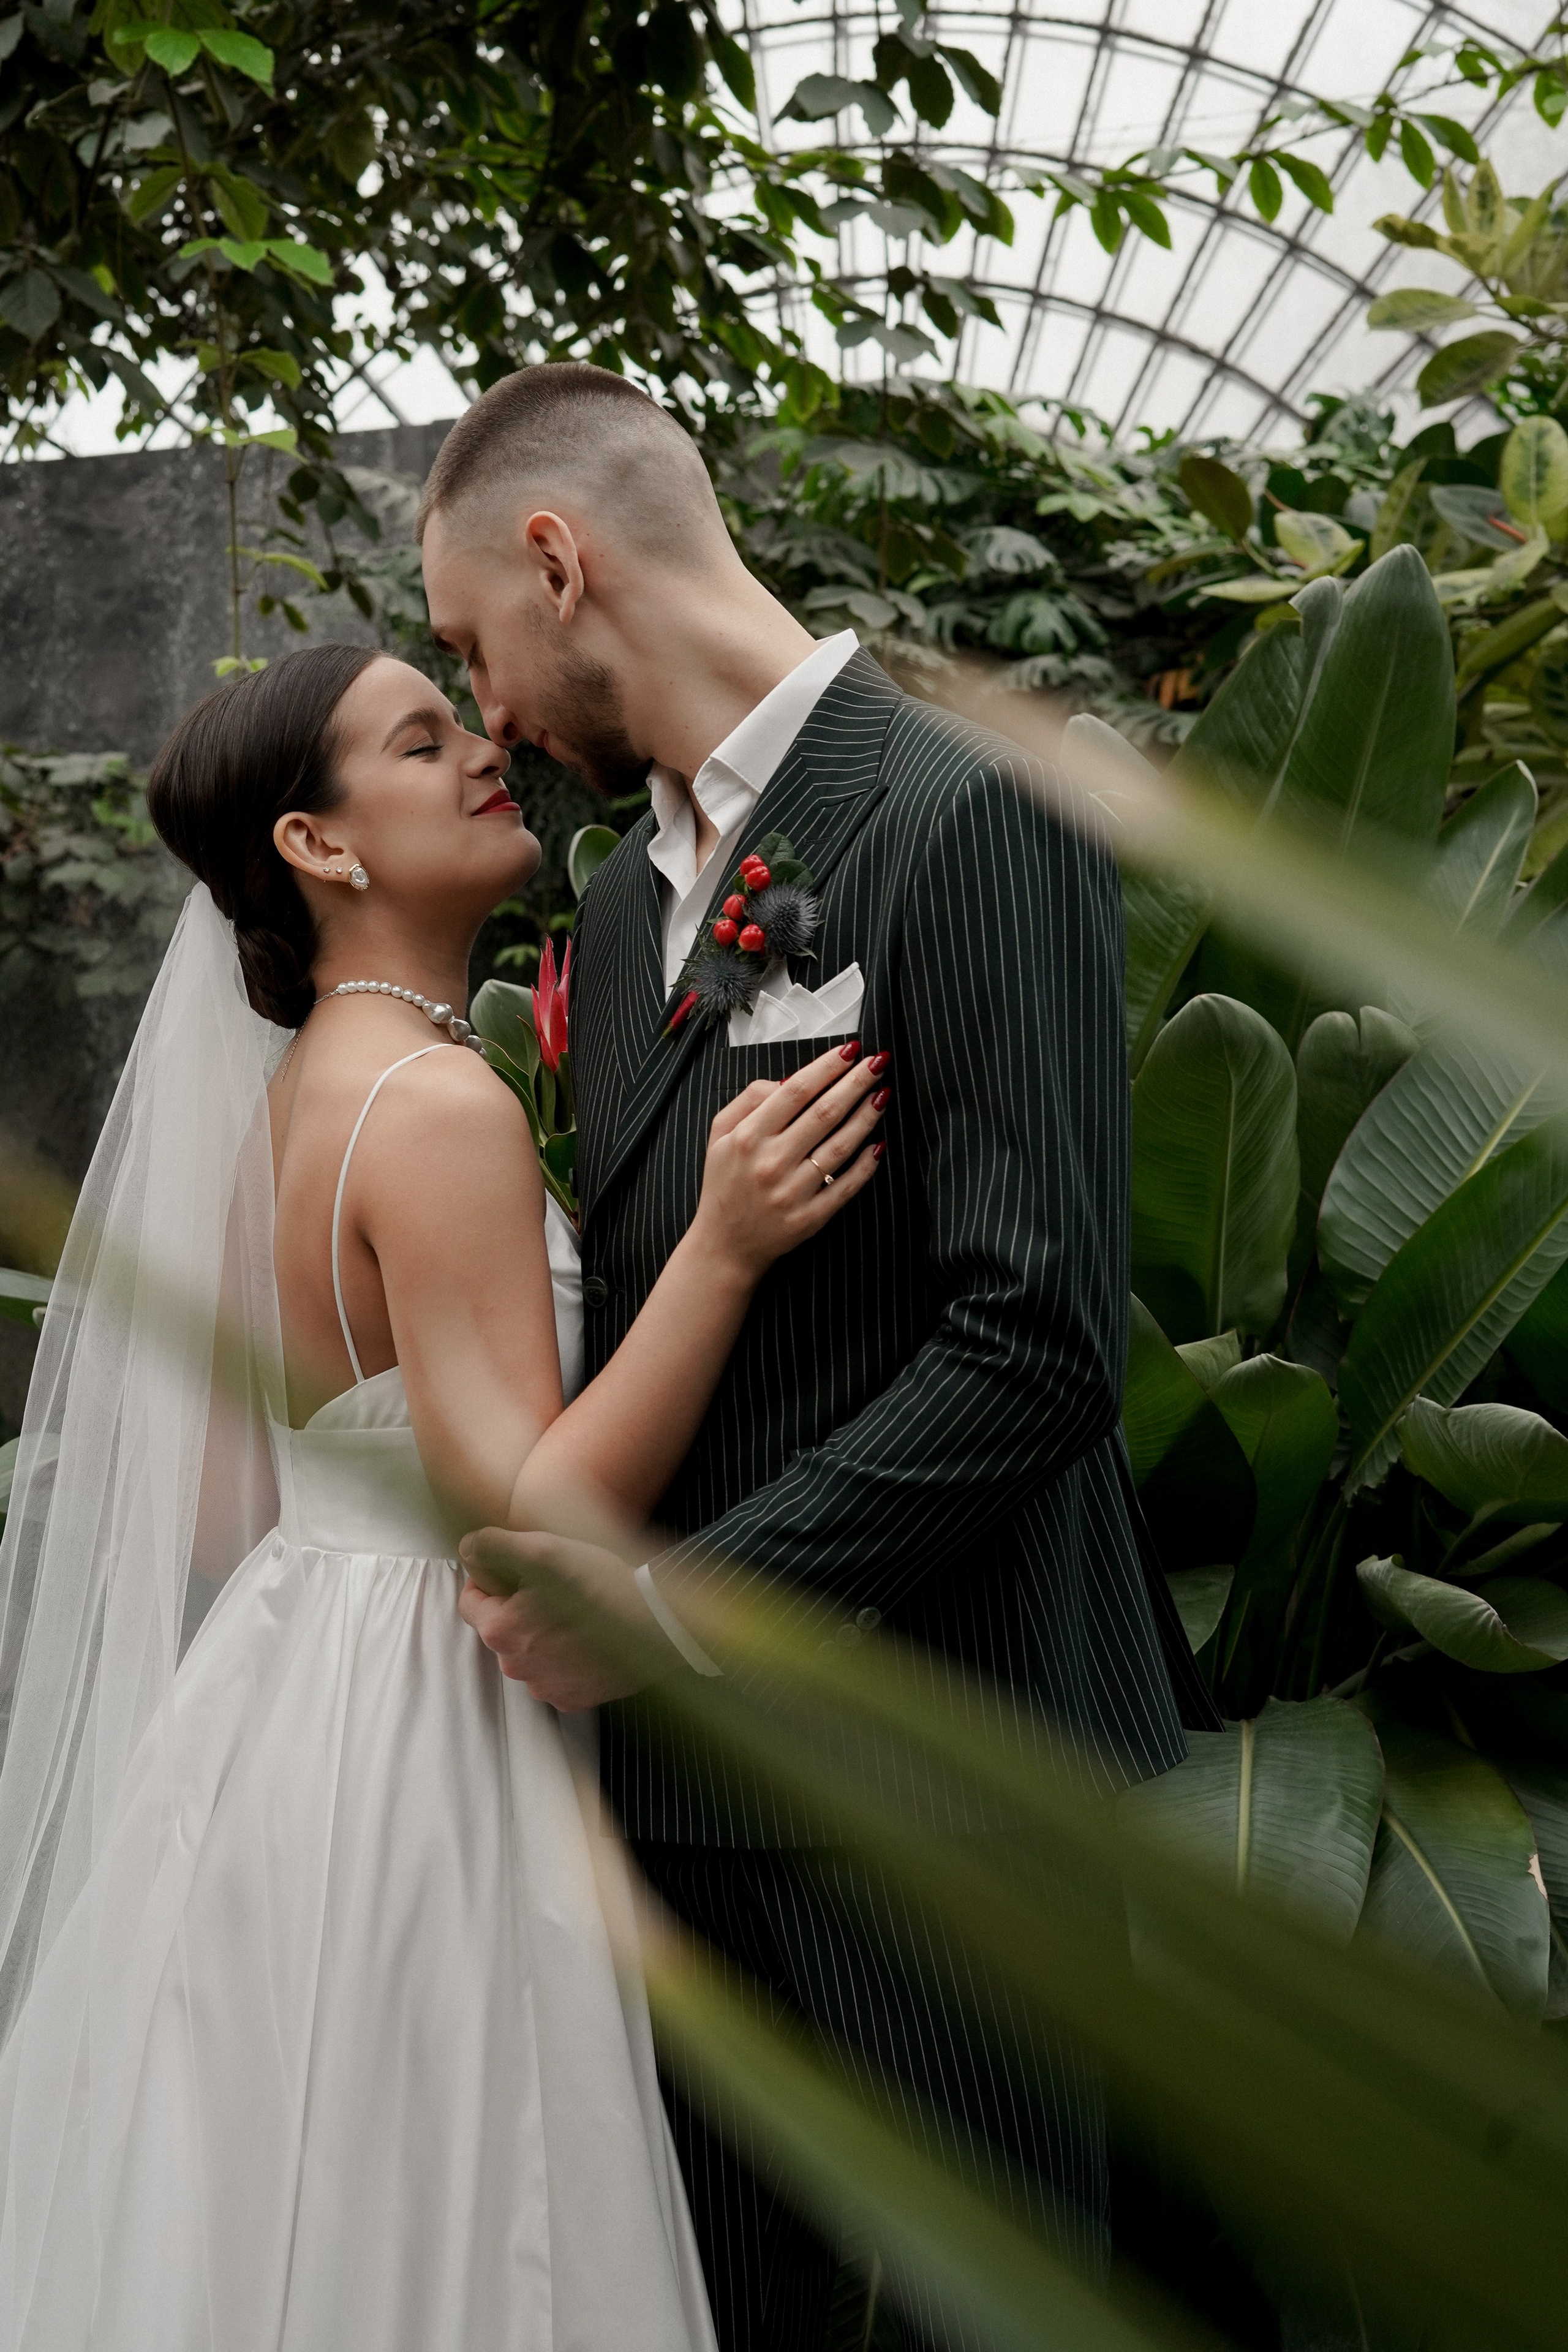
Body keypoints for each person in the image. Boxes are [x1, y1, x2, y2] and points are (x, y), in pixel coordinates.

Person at [420, 363, 1214, 2350]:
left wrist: (683, 1610)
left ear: (558, 557)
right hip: (677, 1819)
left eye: (469, 648)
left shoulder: (970, 816)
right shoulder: (607, 908)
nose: (487, 711)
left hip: (955, 1780)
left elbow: (1034, 1340)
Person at [0, 642, 888, 2351]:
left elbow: (212, 1505)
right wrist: (720, 1248)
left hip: (280, 1701)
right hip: (429, 1720)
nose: (485, 748)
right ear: (320, 848)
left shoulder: (286, 1104)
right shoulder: (432, 1104)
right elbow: (526, 1517)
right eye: (421, 742)